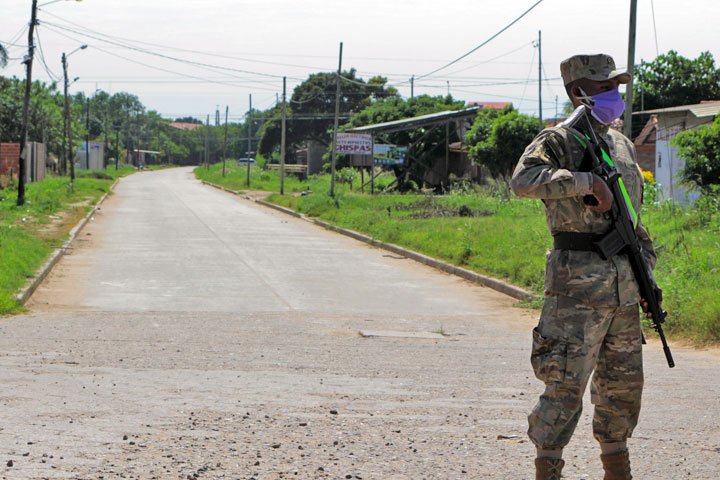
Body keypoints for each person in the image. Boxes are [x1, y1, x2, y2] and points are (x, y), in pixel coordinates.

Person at [510, 54, 658, 480]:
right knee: (564, 386)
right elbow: (523, 181)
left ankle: (617, 467)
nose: (615, 95)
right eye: (603, 87)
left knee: (622, 388)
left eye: (615, 86)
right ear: (579, 92)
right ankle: (548, 468)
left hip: (624, 289)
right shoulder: (558, 140)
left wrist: (647, 275)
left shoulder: (622, 145)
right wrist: (585, 183)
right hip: (577, 289)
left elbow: (632, 219)